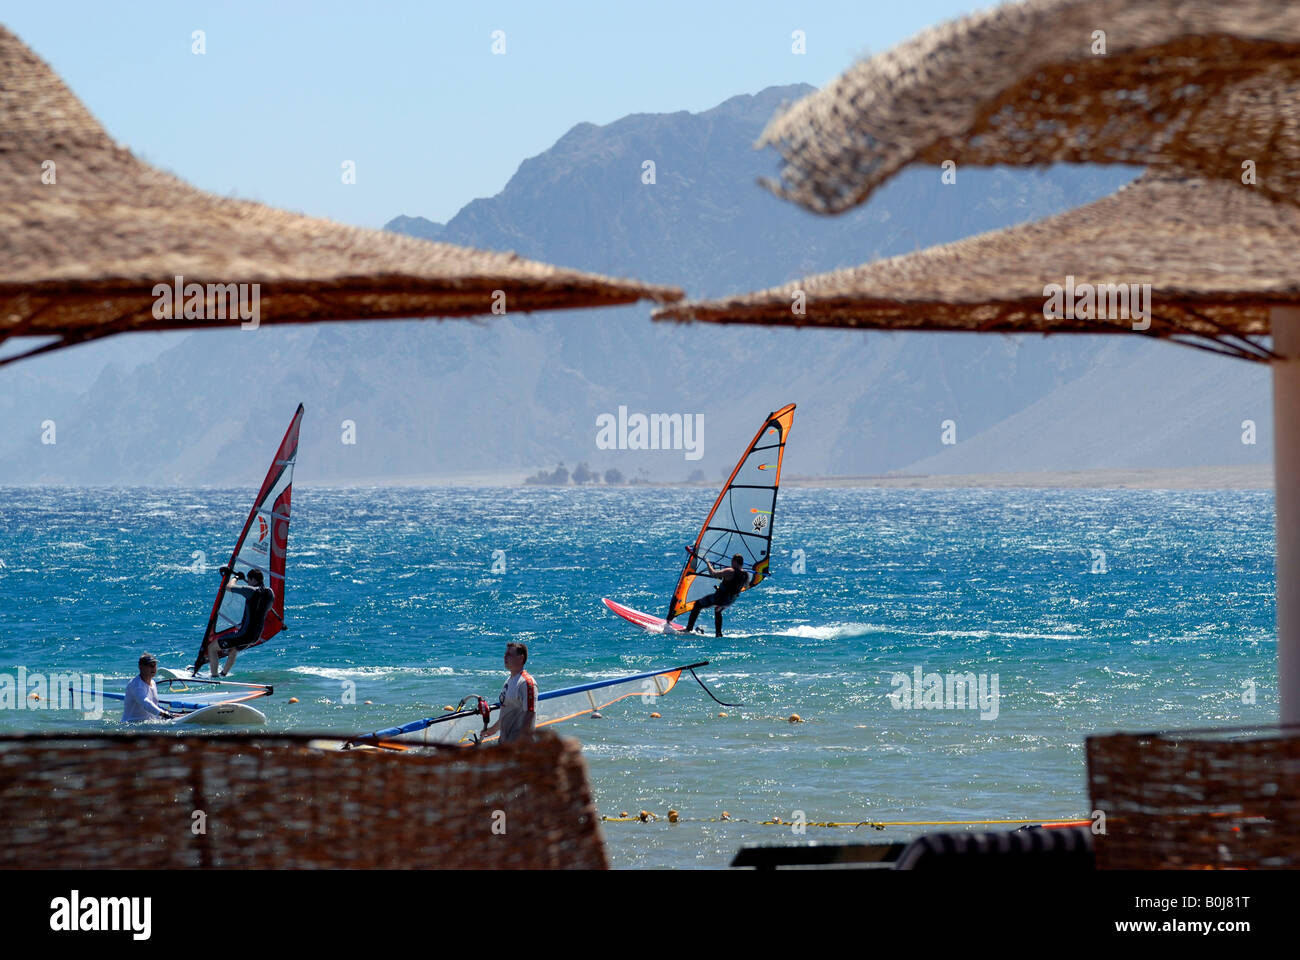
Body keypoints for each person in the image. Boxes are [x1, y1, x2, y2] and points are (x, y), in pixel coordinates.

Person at [200, 566, 274, 678]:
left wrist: (236, 577)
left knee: (211, 648)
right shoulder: (270, 593)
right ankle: (223, 674)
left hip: (244, 634)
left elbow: (229, 587)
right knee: (234, 649)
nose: (248, 583)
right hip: (256, 636)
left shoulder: (250, 591)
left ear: (253, 580)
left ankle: (214, 677)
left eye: (249, 580)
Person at [675, 551, 750, 637]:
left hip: (720, 598)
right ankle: (718, 634)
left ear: (734, 562)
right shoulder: (745, 574)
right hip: (731, 600)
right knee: (718, 610)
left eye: (732, 562)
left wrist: (708, 563)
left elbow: (713, 573)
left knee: (697, 605)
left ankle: (688, 629)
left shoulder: (730, 571)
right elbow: (746, 586)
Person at [479, 642, 537, 745]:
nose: (505, 657)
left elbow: (530, 713)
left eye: (509, 654)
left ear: (521, 658)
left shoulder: (526, 682)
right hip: (505, 741)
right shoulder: (509, 681)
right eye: (505, 654)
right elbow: (507, 712)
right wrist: (492, 729)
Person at [122, 653, 179, 722]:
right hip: (131, 724)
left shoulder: (153, 683)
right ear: (141, 667)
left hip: (148, 723)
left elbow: (154, 706)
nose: (153, 668)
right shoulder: (136, 685)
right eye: (150, 666)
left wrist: (171, 714)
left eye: (155, 665)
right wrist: (165, 715)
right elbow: (145, 703)